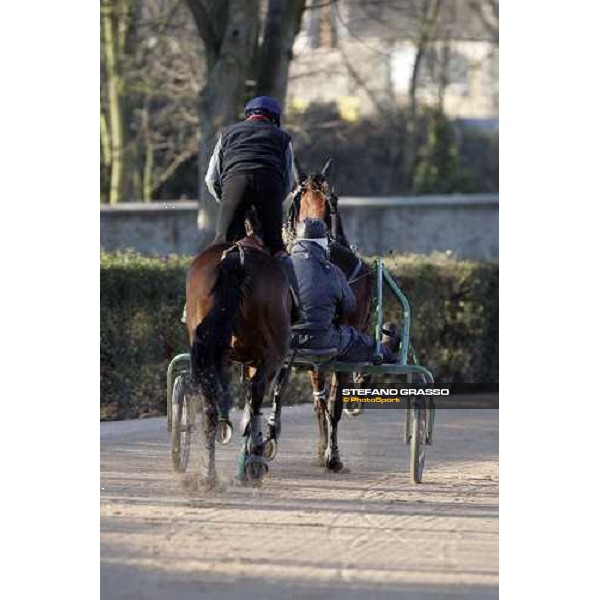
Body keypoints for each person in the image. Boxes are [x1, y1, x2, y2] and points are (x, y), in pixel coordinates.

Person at [290, 218, 399, 362]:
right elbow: (350, 308)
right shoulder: (334, 272)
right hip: (325, 343)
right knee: (362, 342)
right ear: (324, 245)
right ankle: (386, 349)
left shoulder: (281, 267)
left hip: (286, 344)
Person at [205, 95, 297, 257]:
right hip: (269, 186)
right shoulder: (283, 138)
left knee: (221, 243)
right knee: (276, 247)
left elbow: (211, 179)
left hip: (234, 184)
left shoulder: (227, 134)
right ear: (274, 118)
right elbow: (288, 182)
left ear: (248, 114)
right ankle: (290, 282)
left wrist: (227, 200)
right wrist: (274, 203)